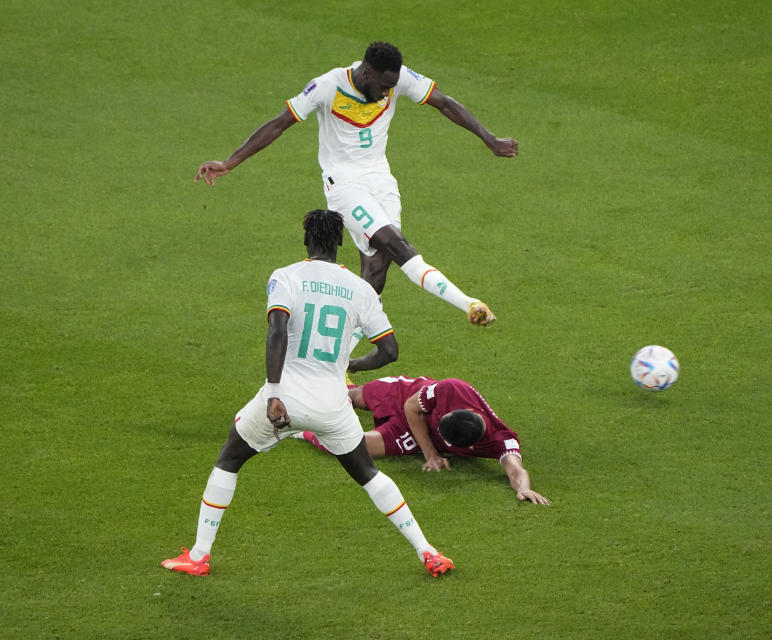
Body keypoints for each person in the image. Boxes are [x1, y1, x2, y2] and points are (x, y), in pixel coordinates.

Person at [161, 210, 454, 578]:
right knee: (369, 474)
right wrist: (349, 364)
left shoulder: (287, 277)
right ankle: (428, 551)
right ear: (340, 243)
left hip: (285, 397)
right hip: (333, 405)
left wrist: (273, 393)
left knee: (229, 460)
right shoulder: (360, 289)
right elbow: (390, 351)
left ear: (306, 241)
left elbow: (277, 332)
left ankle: (199, 556)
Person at [195, 41, 517, 329]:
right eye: (383, 86)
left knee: (377, 270)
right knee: (397, 245)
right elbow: (279, 124)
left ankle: (343, 358)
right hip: (344, 184)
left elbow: (445, 103)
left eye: (393, 86)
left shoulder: (397, 79)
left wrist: (489, 139)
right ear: (365, 73)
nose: (388, 93)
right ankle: (469, 304)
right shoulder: (327, 87)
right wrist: (230, 162)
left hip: (381, 178)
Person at [296, 375, 550, 505]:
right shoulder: (451, 388)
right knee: (353, 397)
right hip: (410, 399)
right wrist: (430, 453)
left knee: (350, 446)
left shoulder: (501, 440)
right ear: (469, 411)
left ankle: (300, 429)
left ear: (468, 447)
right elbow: (411, 407)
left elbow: (515, 469)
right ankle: (335, 380)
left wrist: (523, 489)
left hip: (414, 435)